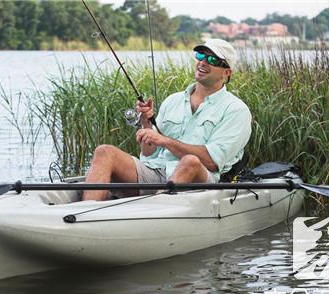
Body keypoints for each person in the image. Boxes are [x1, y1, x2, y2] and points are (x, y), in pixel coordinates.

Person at [82, 39, 251, 201]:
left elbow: (212, 162)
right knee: (104, 151)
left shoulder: (236, 110)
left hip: (200, 178)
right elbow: (149, 154)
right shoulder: (173, 100)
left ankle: (154, 211)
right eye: (200, 56)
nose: (203, 62)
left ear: (227, 72)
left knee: (190, 162)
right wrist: (146, 124)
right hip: (156, 171)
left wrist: (165, 141)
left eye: (212, 59)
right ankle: (83, 218)